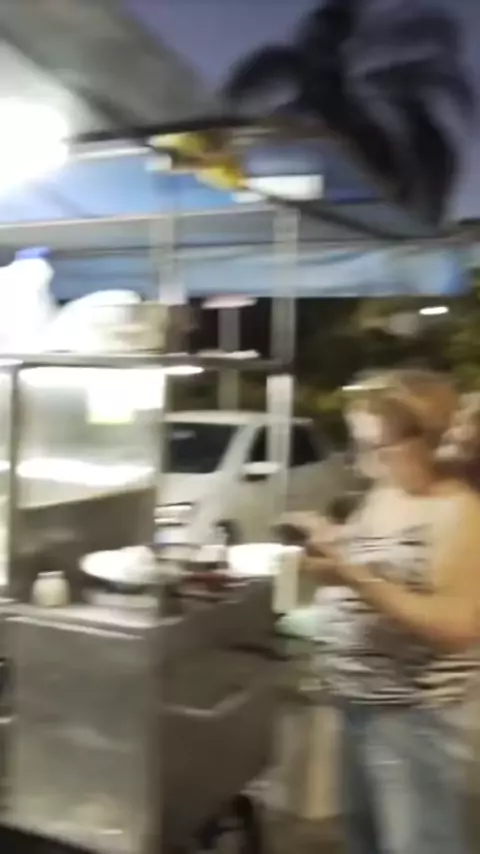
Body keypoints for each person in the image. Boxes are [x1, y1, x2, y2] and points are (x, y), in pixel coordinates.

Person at [287, 369, 480, 854]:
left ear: (428, 439)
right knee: (366, 841)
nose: (362, 462)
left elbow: (458, 627)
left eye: (376, 446)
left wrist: (353, 576)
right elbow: (376, 565)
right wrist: (326, 549)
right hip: (360, 704)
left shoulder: (461, 512)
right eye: (357, 445)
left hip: (415, 718)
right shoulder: (385, 491)